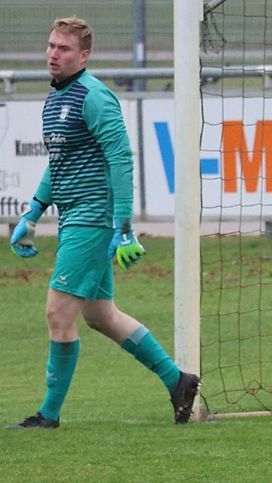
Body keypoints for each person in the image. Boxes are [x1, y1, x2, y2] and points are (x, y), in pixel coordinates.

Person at [7, 17, 200, 429]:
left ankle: (49, 415)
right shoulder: (55, 98)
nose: (53, 54)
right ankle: (178, 380)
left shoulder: (94, 97)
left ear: (84, 55)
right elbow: (58, 163)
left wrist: (123, 225)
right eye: (51, 45)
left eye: (63, 49)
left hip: (93, 221)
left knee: (58, 313)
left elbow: (121, 159)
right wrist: (33, 212)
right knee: (101, 315)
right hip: (74, 217)